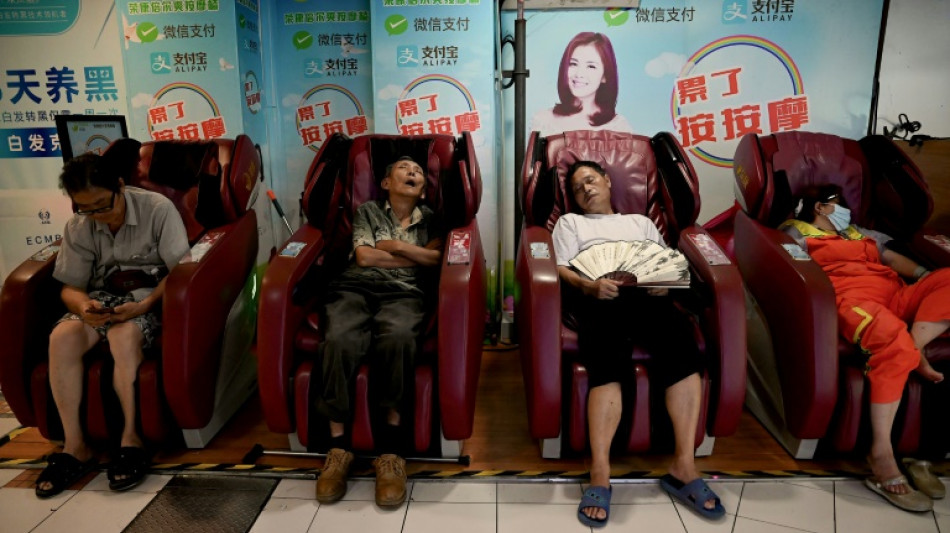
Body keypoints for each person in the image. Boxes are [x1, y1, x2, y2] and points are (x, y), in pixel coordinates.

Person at [551, 161, 725, 527]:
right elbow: (563, 267)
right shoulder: (571, 223)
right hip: (601, 296)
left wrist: (666, 281)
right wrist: (589, 286)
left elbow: (664, 261)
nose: (585, 189)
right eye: (577, 186)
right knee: (606, 363)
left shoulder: (642, 222)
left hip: (648, 295)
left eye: (590, 180)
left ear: (608, 181)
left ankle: (684, 466)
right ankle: (600, 473)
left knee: (682, 353)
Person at [781, 184, 949, 512]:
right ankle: (882, 454)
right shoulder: (794, 232)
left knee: (947, 279)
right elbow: (791, 265)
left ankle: (915, 347)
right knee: (893, 345)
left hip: (895, 294)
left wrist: (926, 277)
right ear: (820, 208)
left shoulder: (860, 232)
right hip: (852, 300)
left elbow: (889, 257)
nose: (846, 210)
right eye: (838, 205)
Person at [36, 148, 189, 498]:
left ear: (120, 186)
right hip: (102, 299)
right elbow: (71, 287)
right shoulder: (80, 225)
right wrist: (83, 306)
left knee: (122, 337)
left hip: (148, 299)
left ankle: (131, 441)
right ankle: (75, 446)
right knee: (62, 337)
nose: (98, 216)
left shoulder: (157, 210)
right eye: (86, 209)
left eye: (104, 205)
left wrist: (145, 305)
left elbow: (181, 271)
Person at [314, 156, 443, 508]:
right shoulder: (369, 210)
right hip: (354, 288)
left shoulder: (433, 219)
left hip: (406, 293)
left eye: (417, 170)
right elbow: (365, 258)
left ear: (424, 186)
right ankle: (338, 448)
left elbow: (437, 260)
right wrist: (416, 255)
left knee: (400, 338)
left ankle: (391, 452)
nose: (412, 172)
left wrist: (397, 246)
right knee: (339, 339)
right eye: (403, 168)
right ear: (386, 183)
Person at [529, 32, 633, 137]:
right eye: (573, 64)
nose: (579, 74)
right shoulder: (543, 120)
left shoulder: (618, 127)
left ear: (605, 76)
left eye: (591, 66)